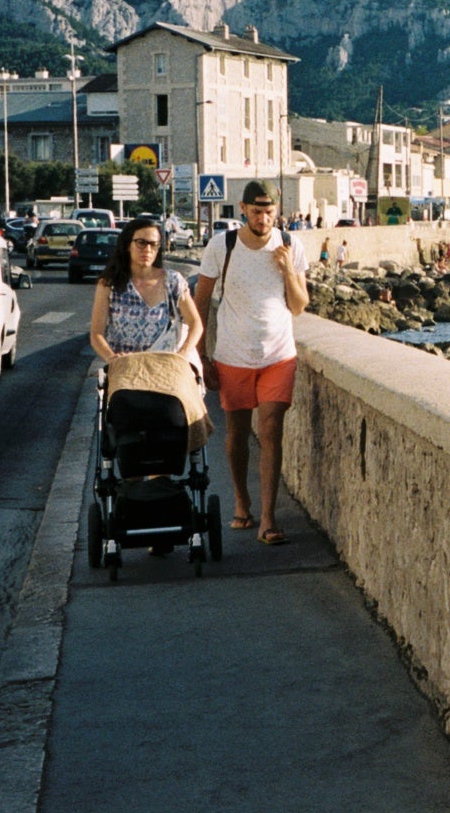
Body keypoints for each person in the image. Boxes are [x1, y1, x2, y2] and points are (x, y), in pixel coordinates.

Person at [193, 180, 310, 546]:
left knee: (272, 429)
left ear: (278, 211)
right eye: (257, 211)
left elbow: (300, 305)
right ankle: (242, 502)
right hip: (233, 355)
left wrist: (288, 270)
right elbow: (200, 303)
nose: (263, 218)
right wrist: (200, 354)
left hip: (278, 355)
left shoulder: (291, 245)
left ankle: (269, 520)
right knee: (237, 434)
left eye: (270, 212)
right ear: (243, 209)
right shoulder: (222, 245)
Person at [89, 217, 204, 364]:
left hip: (164, 371)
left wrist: (182, 354)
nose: (147, 250)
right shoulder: (109, 284)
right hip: (124, 372)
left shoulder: (173, 281)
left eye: (153, 244)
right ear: (127, 245)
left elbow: (196, 324)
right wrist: (111, 358)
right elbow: (96, 334)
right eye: (141, 243)